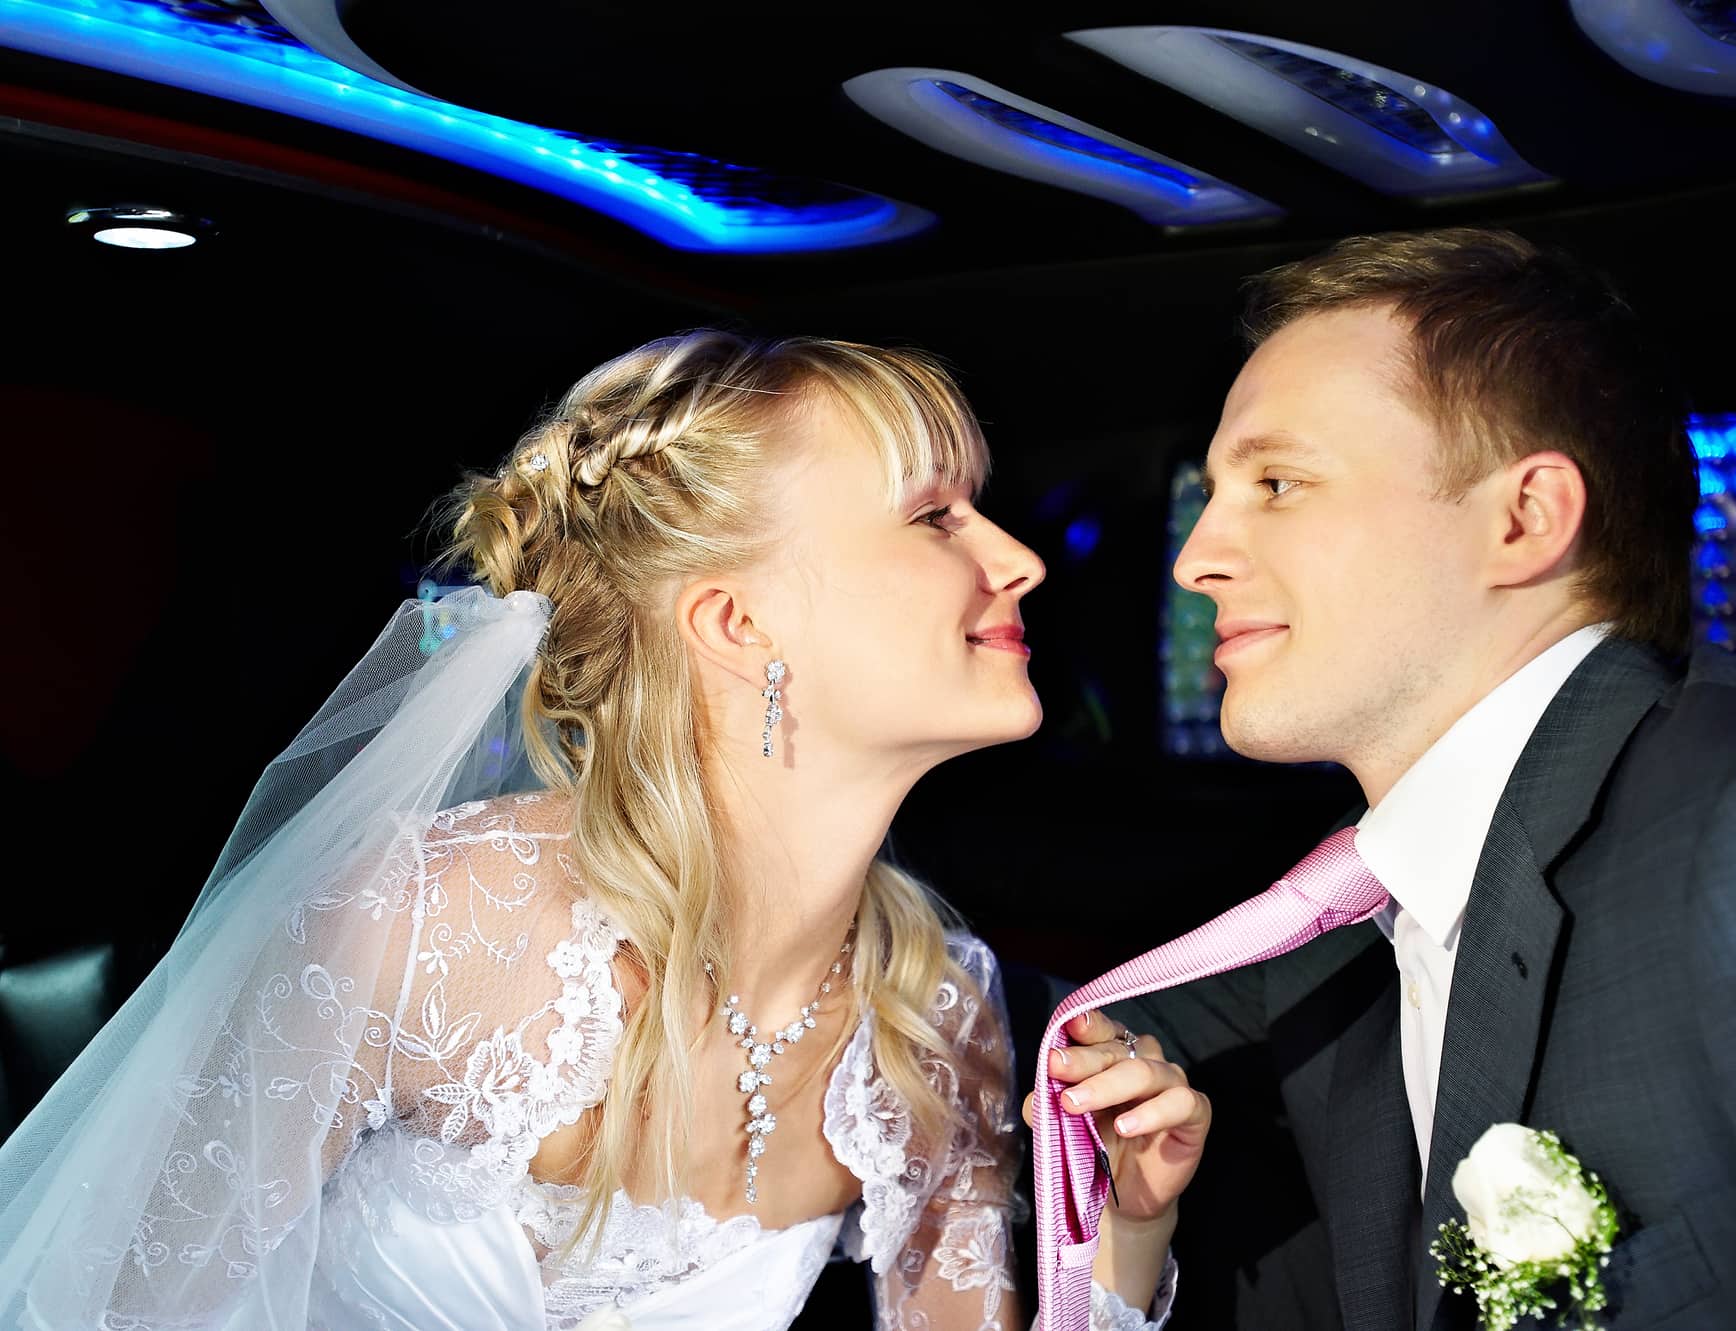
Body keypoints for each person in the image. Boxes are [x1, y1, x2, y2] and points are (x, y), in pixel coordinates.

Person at [0, 331, 1206, 1330]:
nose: (1021, 560)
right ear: (736, 622)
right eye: (934, 515)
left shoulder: (933, 1006)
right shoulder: (422, 923)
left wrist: (1130, 1228)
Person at [1104, 227, 1736, 1329]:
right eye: (1214, 490)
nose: (1198, 554)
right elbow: (1019, 1052)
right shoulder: (1332, 947)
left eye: (1277, 482)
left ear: (1522, 519)